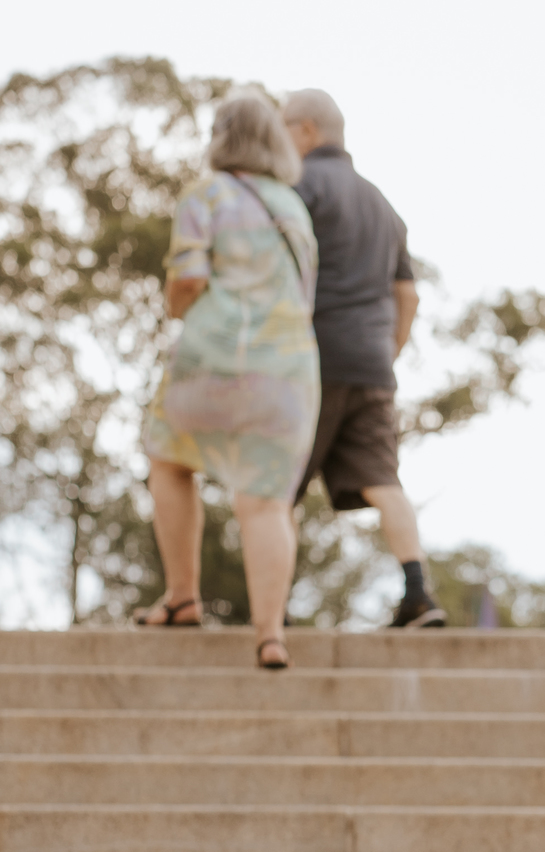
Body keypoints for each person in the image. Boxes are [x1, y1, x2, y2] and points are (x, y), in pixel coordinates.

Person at [138, 93, 320, 670]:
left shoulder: (207, 195)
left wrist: (174, 305)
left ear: (220, 137)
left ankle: (182, 596)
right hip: (287, 373)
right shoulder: (293, 208)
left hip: (214, 360)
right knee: (265, 502)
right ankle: (270, 635)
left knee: (168, 460)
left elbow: (188, 279)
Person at [281, 89, 446, 630]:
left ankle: (273, 607)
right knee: (383, 479)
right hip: (373, 364)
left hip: (311, 361)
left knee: (278, 486)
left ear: (307, 130)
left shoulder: (299, 187)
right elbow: (408, 296)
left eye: (284, 128)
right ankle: (418, 593)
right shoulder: (383, 205)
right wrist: (387, 349)